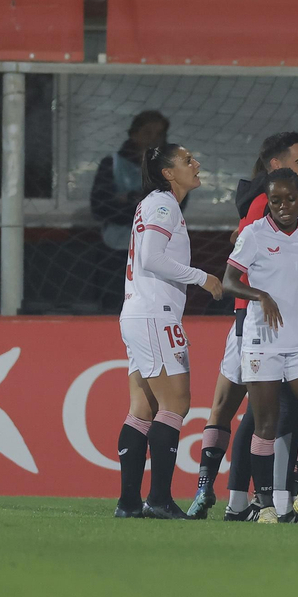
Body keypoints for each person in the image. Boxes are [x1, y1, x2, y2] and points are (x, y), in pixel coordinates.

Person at [187, 131, 298, 519]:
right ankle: (248, 498)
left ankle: (220, 493)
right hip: (260, 319)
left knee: (235, 406)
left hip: (256, 316)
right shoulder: (267, 202)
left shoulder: (262, 199)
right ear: (276, 165)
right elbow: (249, 254)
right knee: (256, 413)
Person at [221, 169, 298, 524]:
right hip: (263, 342)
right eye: (275, 200)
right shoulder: (254, 234)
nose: (283, 207)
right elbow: (229, 281)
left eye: (290, 199)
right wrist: (260, 294)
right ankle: (264, 505)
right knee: (266, 424)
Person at [114, 143, 223, 519]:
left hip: (137, 313)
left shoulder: (151, 203)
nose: (196, 163)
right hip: (154, 316)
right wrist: (202, 277)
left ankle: (129, 503)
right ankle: (158, 499)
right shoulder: (164, 204)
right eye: (187, 160)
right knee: (175, 404)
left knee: (142, 409)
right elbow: (151, 258)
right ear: (168, 173)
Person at [91, 110, 169, 311]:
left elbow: (172, 210)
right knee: (114, 307)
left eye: (159, 134)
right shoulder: (112, 164)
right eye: (147, 133)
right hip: (116, 250)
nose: (153, 139)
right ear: (134, 134)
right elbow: (100, 207)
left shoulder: (168, 170)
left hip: (156, 252)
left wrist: (128, 200)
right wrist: (142, 205)